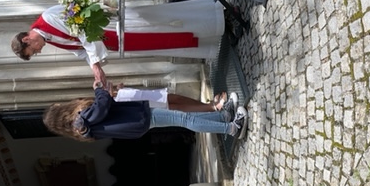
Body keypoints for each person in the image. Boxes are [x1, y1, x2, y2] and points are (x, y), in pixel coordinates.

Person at [11, 0, 225, 85]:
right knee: (165, 42)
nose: (39, 51)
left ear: (27, 39)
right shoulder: (49, 38)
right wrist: (95, 69)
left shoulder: (49, 18)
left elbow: (84, 32)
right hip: (117, 41)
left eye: (34, 50)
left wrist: (96, 64)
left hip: (115, 26)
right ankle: (214, 40)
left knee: (165, 24)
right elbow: (80, 50)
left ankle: (215, 17)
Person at [42, 81, 249, 142]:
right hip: (138, 118)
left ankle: (222, 116)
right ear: (61, 112)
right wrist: (99, 90)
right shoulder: (81, 120)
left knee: (183, 118)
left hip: (136, 122)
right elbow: (101, 108)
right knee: (185, 119)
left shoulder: (80, 128)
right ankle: (232, 128)